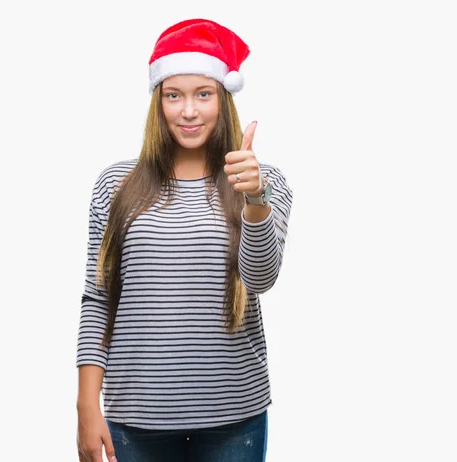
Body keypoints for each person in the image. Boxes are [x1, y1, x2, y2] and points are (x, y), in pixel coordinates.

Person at [76, 18, 293, 462]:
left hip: (234, 416)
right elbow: (99, 299)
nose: (188, 111)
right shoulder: (115, 184)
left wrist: (254, 199)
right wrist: (85, 405)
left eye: (203, 94)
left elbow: (260, 278)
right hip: (136, 417)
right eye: (174, 95)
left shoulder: (264, 182)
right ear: (158, 103)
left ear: (223, 99)